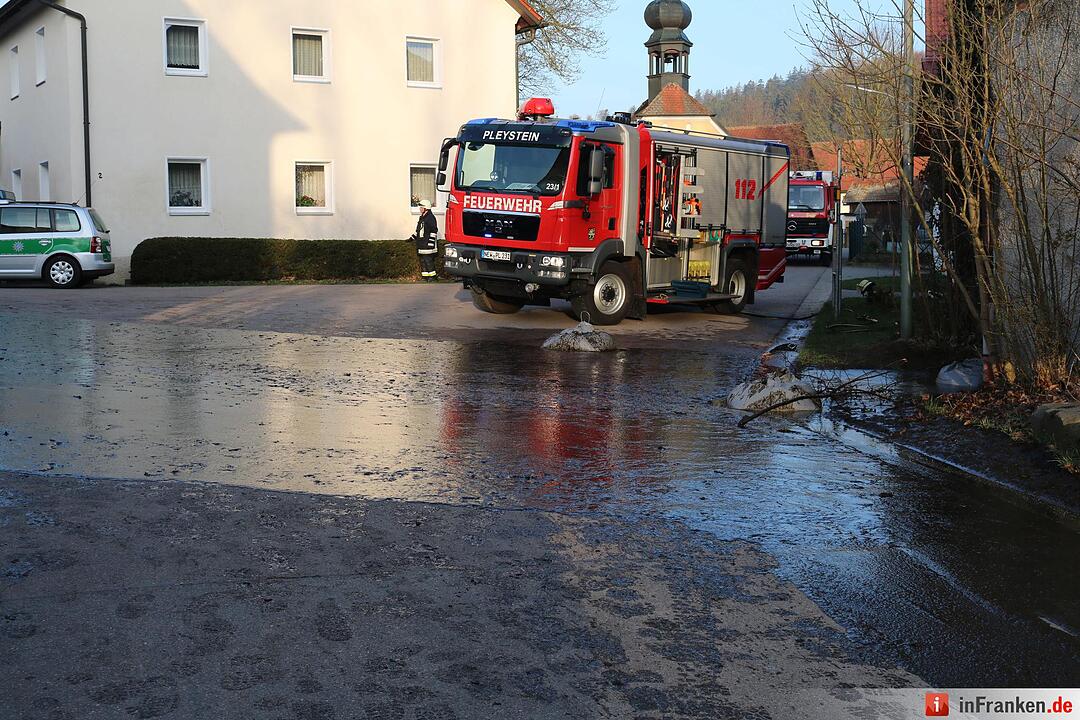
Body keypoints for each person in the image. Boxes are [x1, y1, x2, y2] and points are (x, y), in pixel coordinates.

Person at [411, 199, 439, 280]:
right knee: (423, 261)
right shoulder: (422, 218)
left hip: (427, 244)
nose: (420, 209)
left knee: (428, 261)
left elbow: (434, 231)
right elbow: (419, 231)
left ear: (426, 208)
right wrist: (412, 238)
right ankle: (426, 276)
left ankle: (432, 276)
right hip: (422, 244)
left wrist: (430, 244)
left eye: (421, 207)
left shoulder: (430, 218)